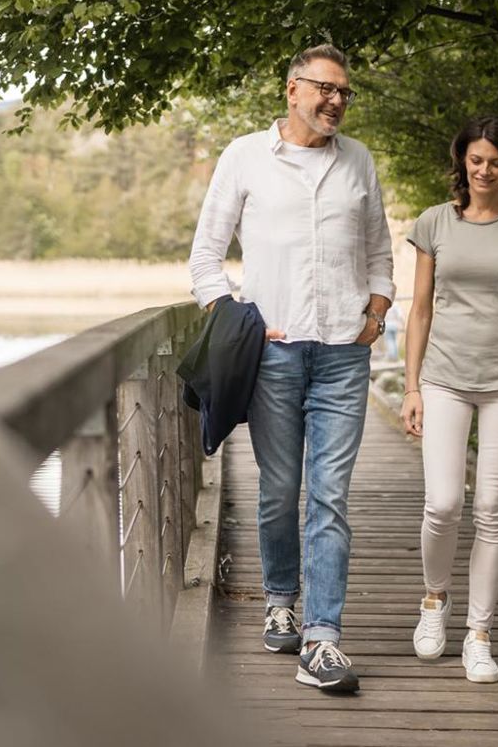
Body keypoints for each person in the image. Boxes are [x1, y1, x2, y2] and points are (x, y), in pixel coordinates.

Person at [188, 44, 394, 693]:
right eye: (324, 88)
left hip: (344, 357)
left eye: (344, 92)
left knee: (329, 496)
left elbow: (381, 251)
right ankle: (280, 596)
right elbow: (204, 258)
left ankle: (323, 639)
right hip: (274, 355)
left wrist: (378, 313)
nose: (335, 101)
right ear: (291, 89)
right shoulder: (245, 157)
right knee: (279, 491)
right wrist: (237, 316)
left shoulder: (358, 162)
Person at [399, 115, 498, 684]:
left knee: (492, 510)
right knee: (443, 503)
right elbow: (419, 309)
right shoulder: (434, 223)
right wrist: (411, 385)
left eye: (495, 162)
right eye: (475, 160)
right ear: (461, 162)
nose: (484, 171)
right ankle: (434, 600)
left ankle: (479, 634)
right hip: (443, 377)